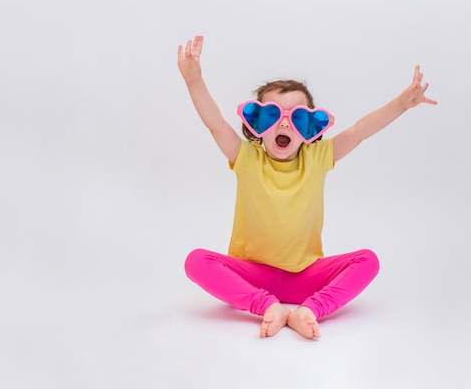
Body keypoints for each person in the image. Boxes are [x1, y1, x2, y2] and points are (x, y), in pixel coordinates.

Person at [177, 35, 437, 339]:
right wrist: (195, 82)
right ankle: (267, 307)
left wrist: (402, 104)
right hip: (251, 275)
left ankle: (310, 311)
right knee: (196, 262)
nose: (285, 125)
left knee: (368, 261)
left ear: (311, 130)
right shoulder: (246, 158)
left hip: (304, 275)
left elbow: (358, 132)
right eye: (273, 115)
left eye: (297, 117)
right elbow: (217, 124)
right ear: (256, 125)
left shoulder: (318, 157)